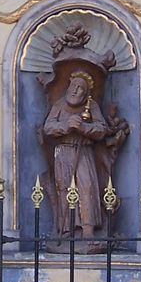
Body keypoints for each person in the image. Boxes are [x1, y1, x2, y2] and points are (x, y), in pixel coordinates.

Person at [42, 71, 108, 240]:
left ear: (85, 94)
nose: (75, 90)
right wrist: (66, 126)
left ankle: (88, 229)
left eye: (80, 88)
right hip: (63, 151)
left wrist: (84, 128)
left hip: (84, 151)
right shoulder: (59, 105)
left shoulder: (91, 106)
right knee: (64, 187)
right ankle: (67, 229)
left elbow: (102, 129)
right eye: (73, 86)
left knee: (87, 186)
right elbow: (48, 127)